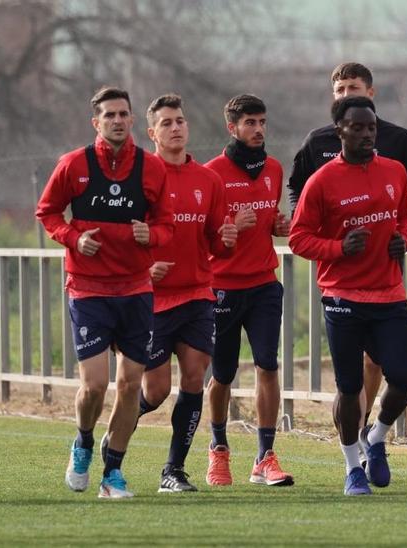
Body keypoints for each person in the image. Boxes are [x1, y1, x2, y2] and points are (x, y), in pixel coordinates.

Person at [287, 61, 407, 453]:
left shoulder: (398, 143)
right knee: (351, 378)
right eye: (339, 90)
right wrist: (333, 240)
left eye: (353, 87)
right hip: (340, 280)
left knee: (391, 369)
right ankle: (353, 452)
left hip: (386, 275)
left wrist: (397, 232)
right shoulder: (317, 144)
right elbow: (299, 202)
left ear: (371, 93)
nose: (346, 95)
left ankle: (371, 434)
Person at [36, 86, 173, 499]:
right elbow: (47, 213)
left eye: (123, 114)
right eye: (109, 115)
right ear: (95, 122)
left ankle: (112, 473)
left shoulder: (152, 168)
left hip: (135, 288)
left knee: (131, 385)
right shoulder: (73, 164)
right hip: (89, 289)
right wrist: (73, 238)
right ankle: (82, 440)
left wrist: (153, 234)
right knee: (94, 386)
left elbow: (167, 225)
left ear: (132, 120)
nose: (117, 121)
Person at [289, 95, 407, 496]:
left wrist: (403, 241)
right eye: (357, 127)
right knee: (349, 388)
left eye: (371, 128)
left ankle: (376, 438)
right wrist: (339, 248)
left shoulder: (395, 171)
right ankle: (351, 468)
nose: (366, 134)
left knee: (404, 379)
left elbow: (405, 218)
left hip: (389, 293)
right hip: (343, 296)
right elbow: (298, 238)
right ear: (339, 130)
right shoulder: (322, 181)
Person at [137, 93, 239, 492]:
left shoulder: (208, 180)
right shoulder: (141, 179)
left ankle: (173, 471)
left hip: (198, 293)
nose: (176, 127)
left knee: (195, 377)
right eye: (166, 123)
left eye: (180, 120)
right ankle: (114, 438)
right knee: (156, 390)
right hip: (151, 299)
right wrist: (144, 270)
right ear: (152, 133)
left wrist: (227, 238)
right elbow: (123, 237)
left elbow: (215, 241)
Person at [202, 94, 294, 487]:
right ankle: (218, 450)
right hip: (222, 287)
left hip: (263, 285)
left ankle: (265, 457)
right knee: (221, 375)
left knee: (267, 366)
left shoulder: (274, 168)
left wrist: (277, 226)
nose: (258, 130)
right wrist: (229, 227)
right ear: (232, 128)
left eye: (262, 122)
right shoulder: (211, 173)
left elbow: (269, 216)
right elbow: (202, 237)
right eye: (250, 123)